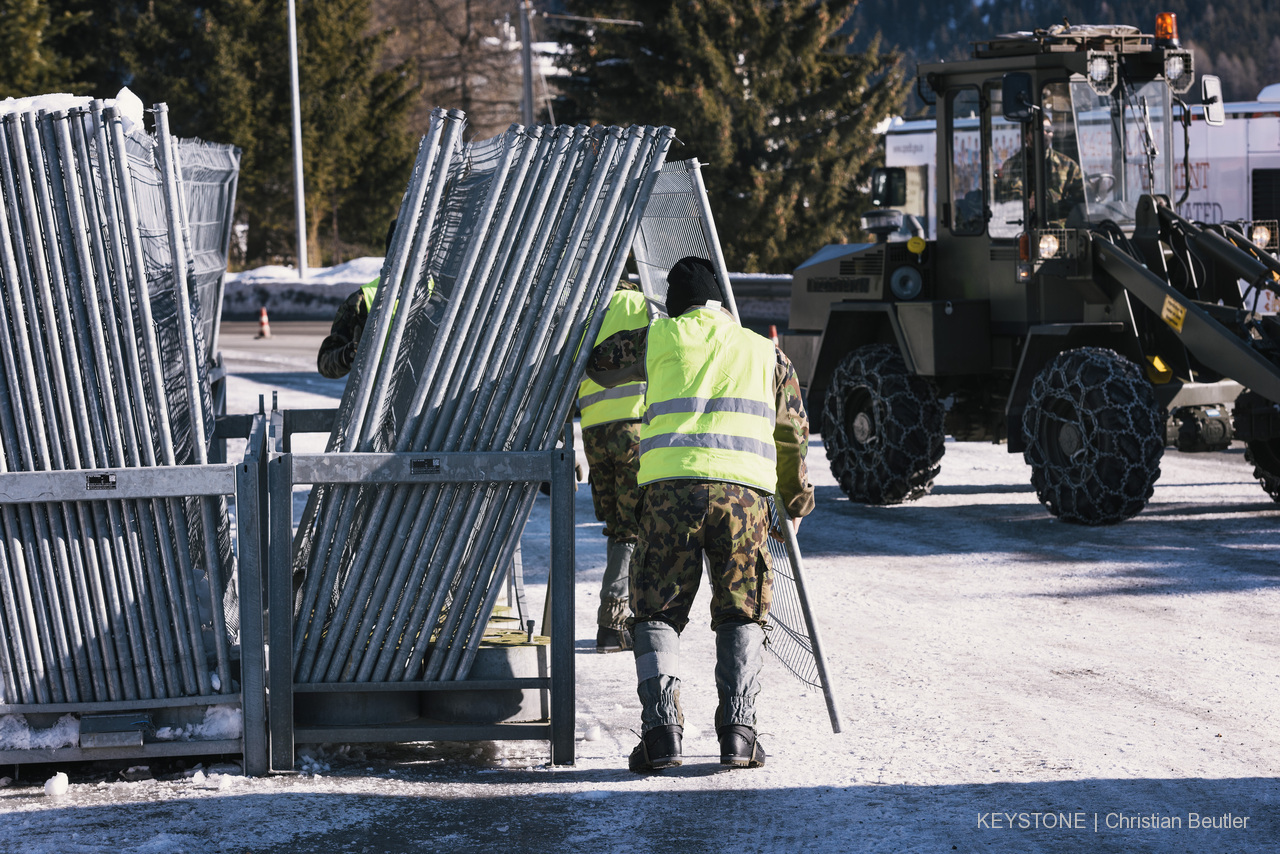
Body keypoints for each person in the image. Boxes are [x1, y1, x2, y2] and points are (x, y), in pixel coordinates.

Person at [586, 256, 815, 773]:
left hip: (669, 496)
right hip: (746, 501)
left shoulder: (658, 338)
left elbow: (599, 365)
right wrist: (794, 504)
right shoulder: (766, 352)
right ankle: (739, 734)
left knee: (657, 611)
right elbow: (793, 434)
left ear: (677, 302)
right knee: (742, 609)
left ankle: (663, 735)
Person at [577, 280, 651, 653]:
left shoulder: (586, 307)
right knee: (632, 528)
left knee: (618, 526)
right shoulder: (645, 303)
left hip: (593, 432)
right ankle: (613, 620)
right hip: (633, 429)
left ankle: (618, 619)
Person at [994, 117, 1084, 225]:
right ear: (1026, 135)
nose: (1045, 133)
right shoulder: (1012, 166)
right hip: (1023, 229)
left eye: (1049, 130)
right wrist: (1027, 204)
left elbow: (1081, 197)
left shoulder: (1068, 165)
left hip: (1060, 230)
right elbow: (1004, 200)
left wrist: (1093, 189)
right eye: (1039, 129)